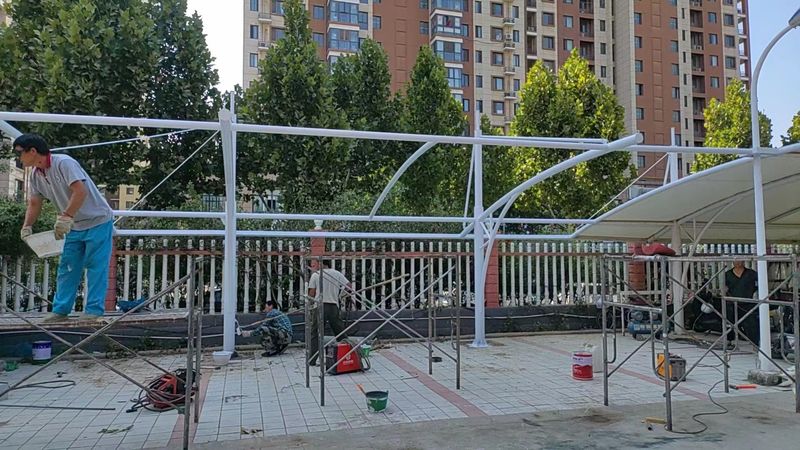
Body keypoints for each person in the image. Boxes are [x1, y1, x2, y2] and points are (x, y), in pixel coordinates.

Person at [15, 134, 114, 322]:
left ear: (33, 151)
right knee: (68, 267)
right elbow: (34, 203)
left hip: (98, 221)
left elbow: (80, 191)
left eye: (20, 153)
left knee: (96, 266)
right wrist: (27, 226)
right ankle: (60, 311)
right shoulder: (36, 175)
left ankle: (93, 312)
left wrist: (66, 216)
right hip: (74, 226)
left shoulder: (64, 163)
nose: (18, 157)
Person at [306, 260, 351, 366]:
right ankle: (349, 354)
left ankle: (312, 360)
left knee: (315, 333)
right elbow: (349, 286)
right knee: (339, 331)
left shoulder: (316, 275)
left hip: (319, 306)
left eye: (316, 264)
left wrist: (310, 304)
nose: (314, 266)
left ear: (322, 263)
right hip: (333, 306)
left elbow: (311, 293)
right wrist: (341, 296)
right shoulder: (337, 273)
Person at [724, 260, 759, 344]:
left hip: (747, 303)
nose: (737, 262)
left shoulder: (751, 273)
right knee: (730, 322)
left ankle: (755, 343)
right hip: (732, 304)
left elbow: (759, 284)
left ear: (743, 261)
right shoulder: (727, 274)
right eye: (735, 260)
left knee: (751, 323)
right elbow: (724, 287)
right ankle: (729, 341)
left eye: (740, 260)